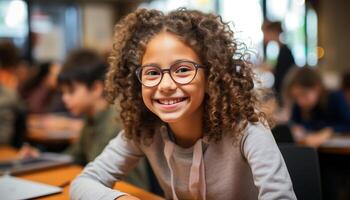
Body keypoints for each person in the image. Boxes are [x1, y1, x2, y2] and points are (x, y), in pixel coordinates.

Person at [70, 9, 296, 200]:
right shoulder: (144, 131)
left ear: (211, 78)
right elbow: (83, 183)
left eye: (183, 70)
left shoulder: (247, 130)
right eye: (152, 72)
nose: (165, 84)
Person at [20, 49, 150, 189]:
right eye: (62, 92)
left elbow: (129, 184)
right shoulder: (91, 118)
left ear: (96, 88)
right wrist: (40, 157)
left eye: (71, 91)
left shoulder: (117, 121)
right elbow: (74, 155)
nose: (65, 99)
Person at [285, 67, 350, 147]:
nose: (300, 102)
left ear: (317, 88)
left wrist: (328, 132)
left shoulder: (335, 98)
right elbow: (294, 124)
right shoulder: (298, 105)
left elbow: (347, 123)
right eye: (296, 97)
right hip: (310, 150)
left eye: (304, 94)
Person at [262, 21, 295, 104]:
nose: (264, 37)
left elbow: (285, 78)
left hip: (285, 97)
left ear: (273, 32)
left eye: (265, 33)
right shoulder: (281, 50)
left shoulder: (285, 52)